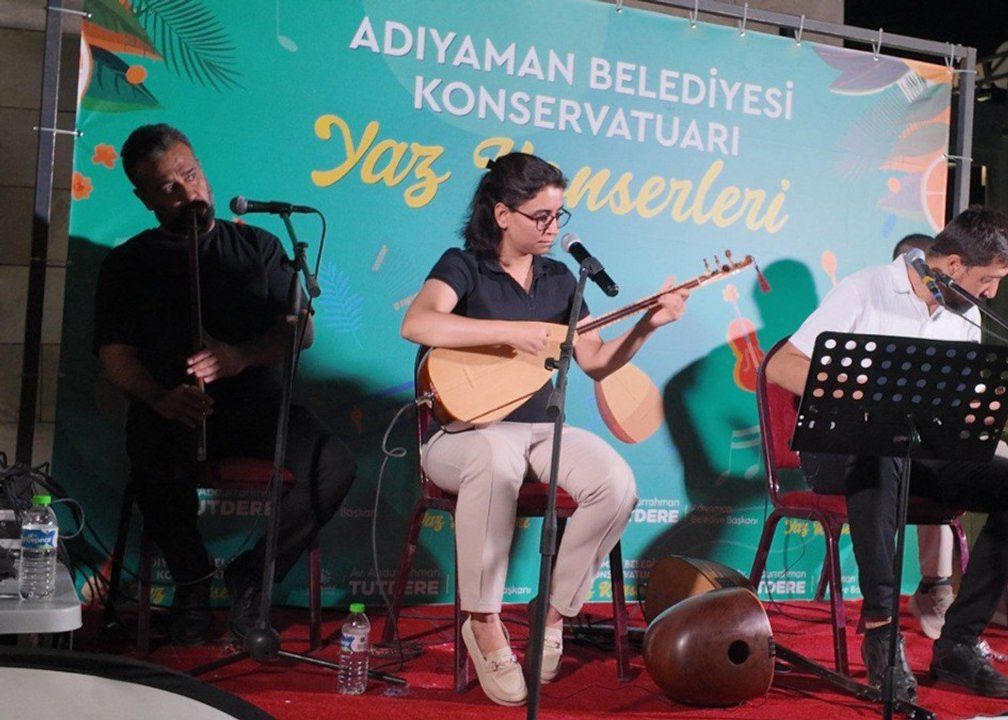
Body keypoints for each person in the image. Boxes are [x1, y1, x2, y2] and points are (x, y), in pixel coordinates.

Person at [400, 152, 687, 706]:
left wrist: (648, 326)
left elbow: (596, 361)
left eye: (559, 215)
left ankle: (551, 613)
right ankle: (483, 621)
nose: (553, 228)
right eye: (541, 216)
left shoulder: (560, 279)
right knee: (494, 459)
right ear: (502, 215)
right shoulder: (464, 265)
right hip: (461, 436)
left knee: (616, 484)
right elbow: (418, 322)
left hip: (540, 432)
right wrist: (512, 332)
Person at [767, 208, 1008, 699]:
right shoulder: (866, 288)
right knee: (882, 446)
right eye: (987, 281)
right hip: (841, 452)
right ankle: (881, 632)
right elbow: (781, 365)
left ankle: (958, 644)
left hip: (921, 452)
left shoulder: (965, 317)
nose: (990, 294)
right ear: (955, 265)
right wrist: (868, 393)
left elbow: (959, 412)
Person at [94, 124, 356, 645]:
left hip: (259, 410)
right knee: (150, 453)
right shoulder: (128, 263)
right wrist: (160, 398)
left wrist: (239, 357)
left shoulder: (258, 246)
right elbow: (115, 356)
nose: (187, 192)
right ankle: (191, 586)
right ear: (145, 198)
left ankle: (250, 578)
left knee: (334, 465)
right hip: (175, 411)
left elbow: (300, 331)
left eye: (191, 175)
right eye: (168, 187)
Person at [889, 235, 1008, 641]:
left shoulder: (966, 315)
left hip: (964, 432)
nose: (991, 292)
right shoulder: (886, 309)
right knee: (936, 458)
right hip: (912, 442)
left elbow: (973, 405)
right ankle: (935, 586)